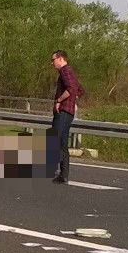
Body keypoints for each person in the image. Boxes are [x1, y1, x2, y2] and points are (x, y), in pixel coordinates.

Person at [49, 50, 84, 185]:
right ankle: (63, 175)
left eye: (53, 60)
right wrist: (73, 101)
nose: (52, 63)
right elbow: (79, 90)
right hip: (68, 112)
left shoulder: (65, 70)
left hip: (63, 111)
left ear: (61, 58)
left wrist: (59, 100)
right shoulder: (70, 72)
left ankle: (59, 172)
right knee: (62, 142)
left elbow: (71, 89)